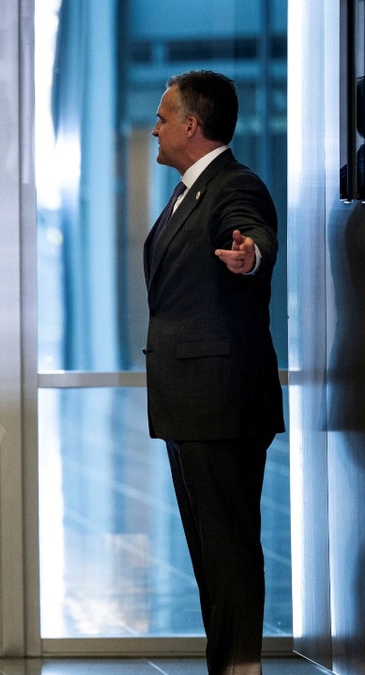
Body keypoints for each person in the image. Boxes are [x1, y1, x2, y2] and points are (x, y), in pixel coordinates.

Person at [145, 70, 284, 675]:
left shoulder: (234, 185)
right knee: (209, 551)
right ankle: (225, 664)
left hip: (220, 403)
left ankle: (241, 667)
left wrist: (250, 255)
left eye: (161, 117)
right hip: (191, 403)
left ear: (191, 126)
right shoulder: (185, 192)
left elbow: (254, 234)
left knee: (228, 548)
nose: (154, 127)